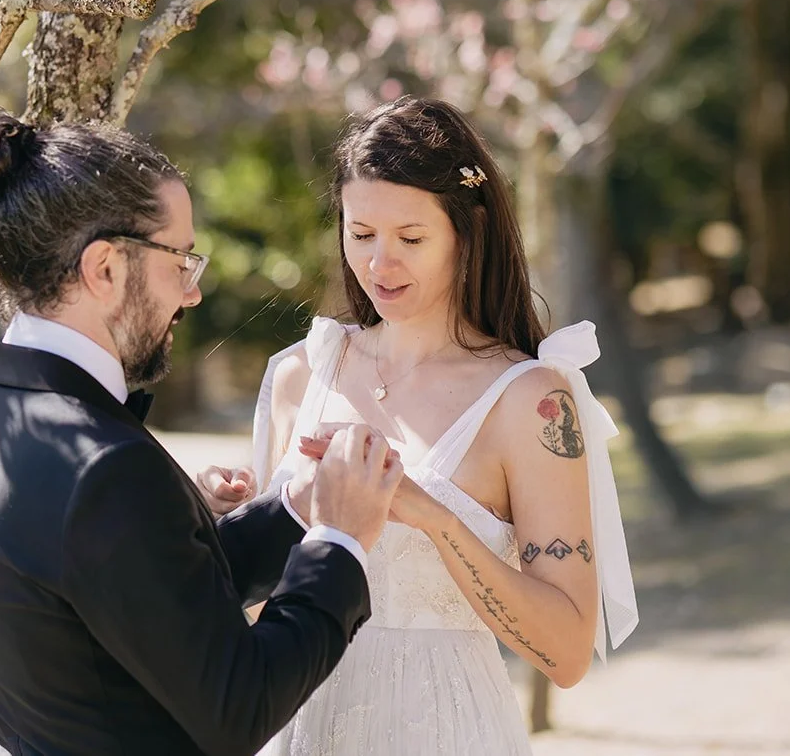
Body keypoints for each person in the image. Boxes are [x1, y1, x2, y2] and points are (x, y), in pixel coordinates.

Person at [0, 103, 404, 756]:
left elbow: (147, 599)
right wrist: (340, 540)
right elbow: (239, 705)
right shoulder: (103, 467)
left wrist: (294, 506)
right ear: (106, 269)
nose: (193, 293)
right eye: (181, 262)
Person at [198, 97, 638, 755]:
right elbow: (255, 617)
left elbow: (568, 652)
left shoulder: (532, 400)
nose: (379, 264)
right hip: (301, 725)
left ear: (468, 229)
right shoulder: (302, 373)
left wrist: (432, 516)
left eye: (410, 238)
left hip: (449, 730)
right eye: (361, 232)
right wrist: (220, 528)